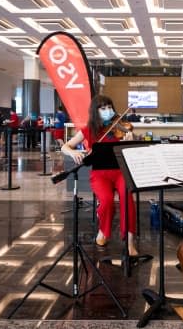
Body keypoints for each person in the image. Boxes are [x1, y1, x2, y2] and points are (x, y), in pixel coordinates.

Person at [61, 95, 139, 256]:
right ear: (95, 111)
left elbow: (131, 149)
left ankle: (130, 241)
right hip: (100, 174)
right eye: (103, 108)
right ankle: (104, 230)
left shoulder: (119, 127)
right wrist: (73, 152)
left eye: (110, 107)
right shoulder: (88, 130)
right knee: (107, 201)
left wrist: (129, 141)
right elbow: (65, 146)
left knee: (127, 198)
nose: (108, 111)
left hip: (120, 172)